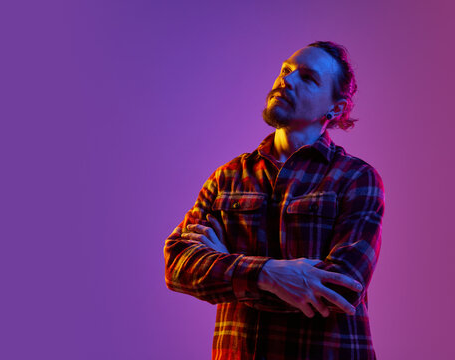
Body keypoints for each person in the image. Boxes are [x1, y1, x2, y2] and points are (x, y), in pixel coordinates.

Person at [164, 40, 385, 359]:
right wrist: (269, 275)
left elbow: (340, 287)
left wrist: (228, 268)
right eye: (286, 70)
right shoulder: (227, 177)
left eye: (307, 77)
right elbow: (178, 264)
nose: (287, 80)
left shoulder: (356, 179)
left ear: (334, 108)